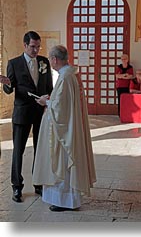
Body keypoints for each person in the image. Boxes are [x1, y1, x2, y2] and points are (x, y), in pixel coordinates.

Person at [32, 45, 96, 212]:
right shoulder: (69, 74)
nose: (51, 62)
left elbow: (61, 107)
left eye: (51, 59)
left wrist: (45, 102)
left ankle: (64, 200)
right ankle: (66, 199)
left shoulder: (66, 76)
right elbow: (63, 100)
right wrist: (50, 98)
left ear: (55, 59)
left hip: (63, 131)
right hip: (67, 127)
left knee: (62, 163)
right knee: (63, 162)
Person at [0, 31, 53, 202]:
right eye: (32, 46)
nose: (36, 50)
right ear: (25, 45)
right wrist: (7, 84)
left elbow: (49, 87)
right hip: (22, 113)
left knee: (40, 149)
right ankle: (17, 187)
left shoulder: (44, 62)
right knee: (18, 151)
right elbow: (10, 89)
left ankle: (38, 184)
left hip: (41, 113)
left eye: (38, 47)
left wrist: (49, 103)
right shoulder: (14, 63)